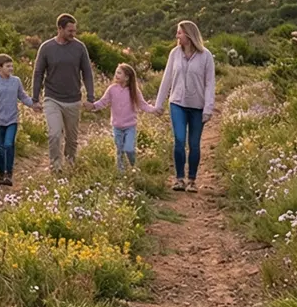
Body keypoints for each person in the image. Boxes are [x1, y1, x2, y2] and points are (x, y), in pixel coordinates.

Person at [154, 19, 216, 192]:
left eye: (179, 32)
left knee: (194, 144)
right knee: (179, 140)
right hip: (177, 104)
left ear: (188, 35)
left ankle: (192, 180)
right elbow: (166, 79)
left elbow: (210, 83)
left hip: (198, 106)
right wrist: (159, 104)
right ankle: (179, 179)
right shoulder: (174, 53)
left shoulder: (206, 56)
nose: (177, 35)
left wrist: (208, 108)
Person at [30, 14, 94, 171]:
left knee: (72, 140)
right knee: (54, 134)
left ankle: (70, 165)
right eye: (70, 31)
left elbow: (87, 73)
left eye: (74, 31)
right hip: (52, 98)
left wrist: (91, 97)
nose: (73, 34)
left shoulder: (79, 48)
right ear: (59, 29)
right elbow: (38, 73)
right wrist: (35, 98)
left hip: (73, 100)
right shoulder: (46, 48)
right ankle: (56, 167)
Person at [87, 62, 159, 174]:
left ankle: (134, 166)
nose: (116, 75)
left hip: (130, 126)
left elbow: (143, 105)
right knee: (119, 150)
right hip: (116, 126)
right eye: (116, 72)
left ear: (127, 77)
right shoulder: (112, 89)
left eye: (119, 73)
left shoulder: (134, 91)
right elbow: (103, 102)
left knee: (129, 149)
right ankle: (121, 173)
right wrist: (93, 106)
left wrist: (154, 110)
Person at [0, 53, 38, 186]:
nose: (11, 68)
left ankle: (9, 173)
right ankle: (2, 174)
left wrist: (33, 104)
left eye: (12, 66)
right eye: (8, 66)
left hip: (12, 120)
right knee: (0, 149)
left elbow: (23, 96)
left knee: (8, 145)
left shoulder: (16, 81)